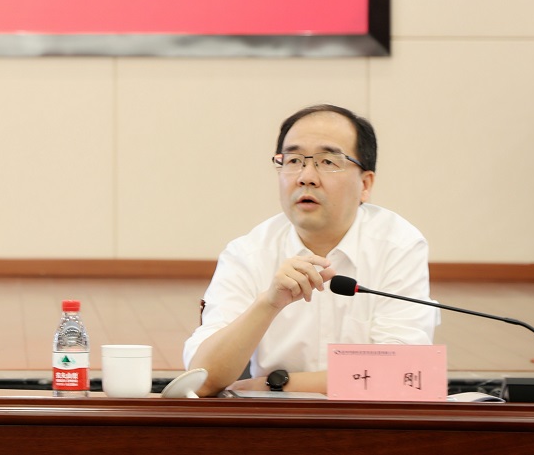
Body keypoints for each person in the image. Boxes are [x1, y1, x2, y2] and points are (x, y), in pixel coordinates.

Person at [183, 104, 439, 396]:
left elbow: (403, 374)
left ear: (365, 184)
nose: (306, 176)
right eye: (293, 160)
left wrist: (276, 385)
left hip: (366, 418)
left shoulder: (398, 245)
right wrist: (268, 304)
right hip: (276, 421)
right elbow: (202, 380)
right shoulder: (248, 253)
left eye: (327, 161)